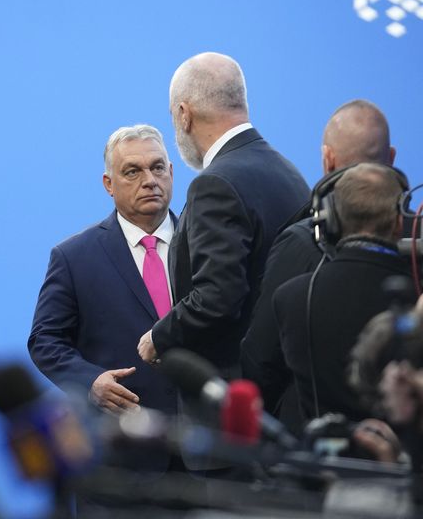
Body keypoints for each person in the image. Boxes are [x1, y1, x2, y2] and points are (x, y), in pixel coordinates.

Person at [138, 52, 309, 376]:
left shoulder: (215, 183)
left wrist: (158, 337)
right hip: (285, 381)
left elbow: (217, 297)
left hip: (236, 393)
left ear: (184, 114)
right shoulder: (289, 172)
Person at [242, 99, 397, 429]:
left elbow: (260, 361)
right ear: (393, 160)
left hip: (315, 454)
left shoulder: (299, 248)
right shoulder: (415, 247)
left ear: (327, 161)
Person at [29, 125, 178, 433]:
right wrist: (90, 381)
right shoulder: (74, 257)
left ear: (171, 172)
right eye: (133, 172)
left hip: (209, 446)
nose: (149, 180)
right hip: (127, 447)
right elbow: (45, 341)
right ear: (109, 184)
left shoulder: (205, 242)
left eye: (157, 167)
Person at [271, 163, 410, 422]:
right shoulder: (415, 297)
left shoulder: (290, 298)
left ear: (331, 221)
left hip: (323, 458)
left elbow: (261, 368)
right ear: (400, 222)